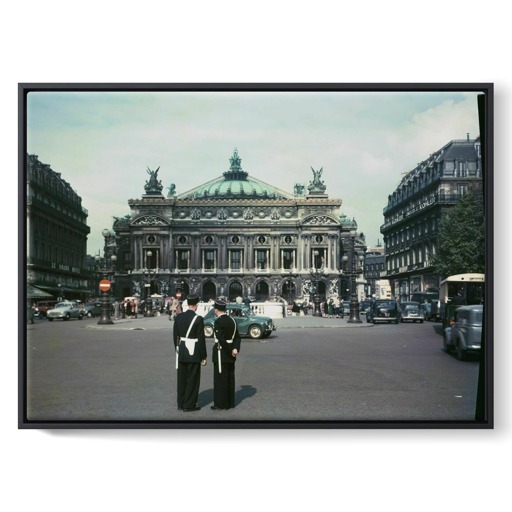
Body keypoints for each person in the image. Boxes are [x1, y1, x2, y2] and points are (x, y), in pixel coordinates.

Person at [173, 294, 207, 412]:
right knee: (192, 379)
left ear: (187, 305)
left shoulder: (179, 317)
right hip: (194, 352)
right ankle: (189, 405)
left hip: (182, 351)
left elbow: (175, 337)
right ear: (196, 305)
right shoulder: (198, 319)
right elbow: (201, 339)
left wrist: (178, 349)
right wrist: (203, 356)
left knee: (181, 379)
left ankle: (181, 403)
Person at [211, 299, 241, 410]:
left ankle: (220, 404)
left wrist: (229, 351)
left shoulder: (218, 322)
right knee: (230, 378)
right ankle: (230, 402)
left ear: (216, 310)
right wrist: (235, 349)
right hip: (231, 352)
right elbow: (237, 337)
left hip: (221, 353)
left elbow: (221, 339)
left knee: (220, 380)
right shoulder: (232, 320)